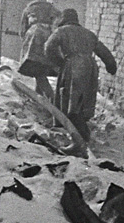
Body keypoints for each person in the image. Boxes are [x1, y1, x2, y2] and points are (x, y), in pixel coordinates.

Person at [44, 8, 117, 145]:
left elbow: (48, 48)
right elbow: (102, 51)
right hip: (90, 67)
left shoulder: (61, 31)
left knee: (70, 100)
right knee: (83, 101)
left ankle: (82, 137)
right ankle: (79, 132)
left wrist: (59, 63)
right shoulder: (88, 33)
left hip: (73, 66)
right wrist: (111, 65)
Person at [18, 0, 61, 100]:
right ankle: (39, 97)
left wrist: (26, 41)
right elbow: (60, 24)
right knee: (41, 68)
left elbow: (22, 30)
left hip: (34, 39)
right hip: (51, 40)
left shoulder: (28, 9)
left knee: (37, 69)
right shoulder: (53, 9)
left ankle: (52, 98)